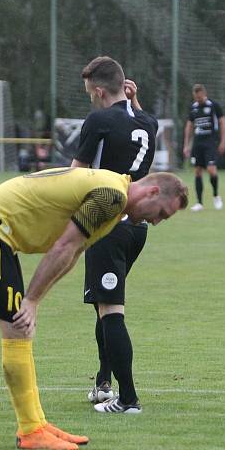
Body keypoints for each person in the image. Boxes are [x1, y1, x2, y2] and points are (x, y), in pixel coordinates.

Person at [0, 167, 188, 450]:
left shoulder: (114, 202)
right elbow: (63, 247)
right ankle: (31, 431)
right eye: (162, 213)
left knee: (21, 330)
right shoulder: (111, 197)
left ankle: (36, 424)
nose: (157, 221)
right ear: (152, 192)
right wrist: (31, 300)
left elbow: (73, 253)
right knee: (17, 329)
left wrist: (35, 300)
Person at [70, 56, 159, 414]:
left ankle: (128, 399)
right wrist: (133, 100)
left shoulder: (98, 121)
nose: (91, 98)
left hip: (108, 224)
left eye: (91, 92)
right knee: (102, 305)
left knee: (111, 311)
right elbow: (140, 118)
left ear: (100, 90)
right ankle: (103, 383)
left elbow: (76, 175)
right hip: (136, 229)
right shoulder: (147, 122)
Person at [183, 84, 225, 211]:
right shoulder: (194, 108)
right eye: (196, 98)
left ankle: (216, 195)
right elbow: (189, 126)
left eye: (200, 97)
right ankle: (199, 203)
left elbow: (223, 122)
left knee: (212, 170)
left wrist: (223, 141)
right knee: (197, 171)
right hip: (198, 143)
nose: (198, 100)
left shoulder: (213, 106)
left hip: (210, 142)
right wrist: (186, 145)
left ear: (204, 93)